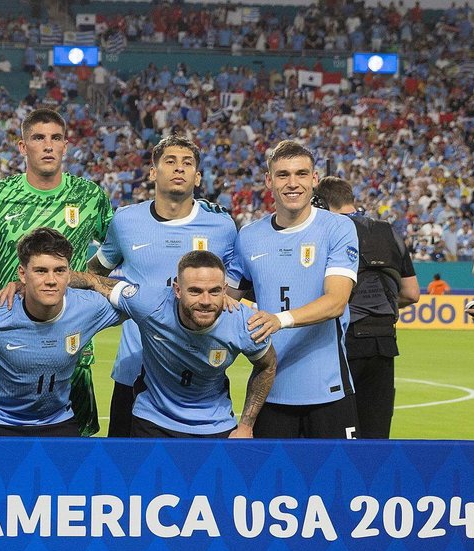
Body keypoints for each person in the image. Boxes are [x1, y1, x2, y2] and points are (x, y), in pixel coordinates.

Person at [0, 108, 113, 436]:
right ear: (22, 147)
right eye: (38, 138)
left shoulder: (89, 197)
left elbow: (119, 248)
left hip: (73, 340)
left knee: (74, 451)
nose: (47, 146)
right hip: (8, 336)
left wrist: (86, 279)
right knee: (0, 441)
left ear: (66, 146)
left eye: (55, 138)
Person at [87, 135, 239, 437]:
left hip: (200, 375)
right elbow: (93, 273)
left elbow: (235, 288)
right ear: (153, 172)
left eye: (187, 163)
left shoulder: (222, 227)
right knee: (126, 478)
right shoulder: (126, 221)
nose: (179, 169)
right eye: (170, 161)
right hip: (133, 373)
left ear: (197, 176)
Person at [0, 228, 124, 437]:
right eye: (41, 271)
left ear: (70, 274)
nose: (51, 280)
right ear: (22, 274)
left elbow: (141, 301)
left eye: (60, 270)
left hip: (57, 419)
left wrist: (90, 280)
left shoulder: (88, 308)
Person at [231, 140, 360, 439]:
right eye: (283, 175)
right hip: (270, 392)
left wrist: (279, 319)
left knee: (338, 485)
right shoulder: (249, 236)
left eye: (301, 174)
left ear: (314, 179)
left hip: (330, 391)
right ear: (268, 181)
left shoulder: (337, 228)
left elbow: (336, 302)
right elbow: (225, 299)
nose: (293, 183)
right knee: (272, 486)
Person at [85, 251, 277, 438]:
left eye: (214, 291)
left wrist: (245, 425)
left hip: (215, 424)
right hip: (152, 421)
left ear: (225, 290)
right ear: (177, 290)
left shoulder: (245, 323)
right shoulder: (151, 303)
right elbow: (95, 281)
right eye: (195, 291)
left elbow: (267, 366)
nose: (205, 301)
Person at [317, 176, 419, 438]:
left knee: (341, 434)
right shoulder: (388, 231)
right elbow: (411, 293)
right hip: (384, 343)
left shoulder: (329, 230)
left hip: (343, 342)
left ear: (320, 203)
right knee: (376, 436)